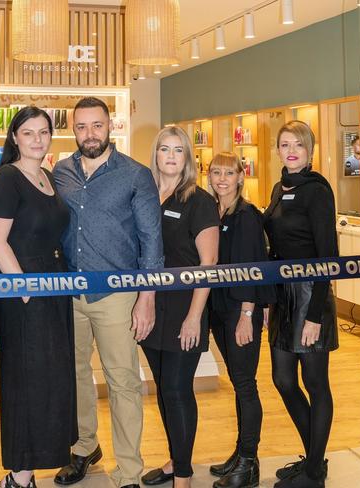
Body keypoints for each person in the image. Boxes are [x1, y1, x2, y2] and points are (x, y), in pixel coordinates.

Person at [53, 97, 163, 488]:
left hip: (118, 294)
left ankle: (129, 470)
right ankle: (85, 447)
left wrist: (146, 298)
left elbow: (152, 240)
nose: (89, 134)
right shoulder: (60, 172)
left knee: (123, 383)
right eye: (81, 127)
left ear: (110, 126)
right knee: (76, 375)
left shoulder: (135, 175)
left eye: (96, 125)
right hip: (70, 291)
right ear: (73, 129)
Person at [0, 106, 77, 488]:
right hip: (23, 288)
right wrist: (23, 289)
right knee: (28, 379)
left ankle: (29, 473)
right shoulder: (8, 177)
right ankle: (19, 476)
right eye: (28, 132)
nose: (37, 139)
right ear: (15, 137)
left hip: (53, 287)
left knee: (52, 378)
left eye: (43, 132)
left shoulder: (47, 176)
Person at [139, 127, 219, 488]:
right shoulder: (145, 196)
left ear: (188, 157)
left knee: (177, 390)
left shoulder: (198, 200)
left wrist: (193, 318)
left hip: (186, 308)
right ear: (155, 154)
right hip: (151, 307)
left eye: (178, 151)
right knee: (163, 391)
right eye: (164, 150)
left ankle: (183, 476)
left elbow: (209, 264)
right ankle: (175, 460)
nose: (170, 156)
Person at [263, 120, 338, 488]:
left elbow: (329, 257)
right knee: (282, 379)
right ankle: (313, 459)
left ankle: (314, 471)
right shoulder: (279, 187)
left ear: (310, 150)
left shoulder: (317, 191)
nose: (291, 150)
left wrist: (314, 316)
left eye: (298, 144)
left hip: (311, 296)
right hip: (282, 296)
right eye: (284, 144)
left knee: (314, 381)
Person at [207, 152, 276, 488]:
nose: (222, 178)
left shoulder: (247, 216)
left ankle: (249, 463)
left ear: (239, 177)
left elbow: (252, 268)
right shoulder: (215, 210)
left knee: (246, 385)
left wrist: (247, 315)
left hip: (239, 310)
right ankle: (241, 453)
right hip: (220, 308)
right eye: (217, 172)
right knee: (238, 381)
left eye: (229, 173)